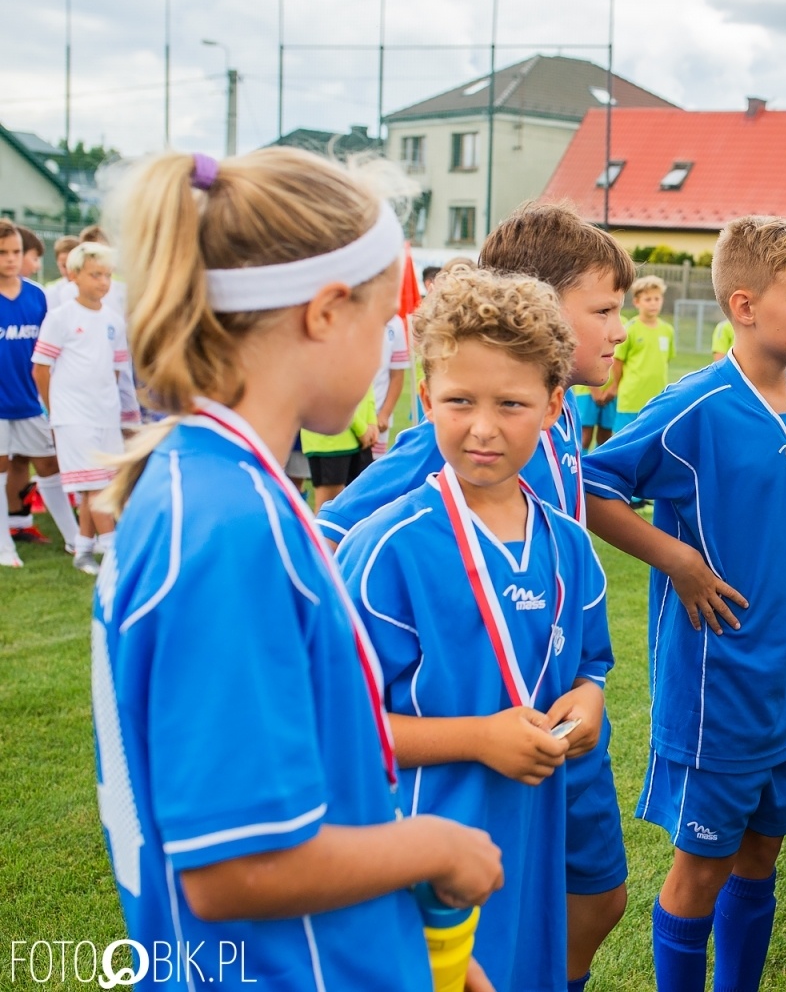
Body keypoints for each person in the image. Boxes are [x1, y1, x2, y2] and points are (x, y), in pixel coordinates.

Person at [90, 147, 503, 990]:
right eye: (384, 321)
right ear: (325, 313)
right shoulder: (230, 530)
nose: (389, 347)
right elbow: (235, 870)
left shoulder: (216, 484)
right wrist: (436, 844)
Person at [314, 200, 634, 991]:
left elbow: (589, 664)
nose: (483, 428)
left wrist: (588, 701)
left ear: (554, 408)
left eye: (510, 405)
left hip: (533, 828)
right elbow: (341, 727)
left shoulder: (567, 545)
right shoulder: (385, 552)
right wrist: (478, 738)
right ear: (426, 401)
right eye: (459, 401)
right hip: (426, 848)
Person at [584, 215, 786, 992]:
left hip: (782, 681)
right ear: (745, 305)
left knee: (763, 851)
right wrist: (680, 561)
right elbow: (592, 486)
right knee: (702, 866)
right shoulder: (694, 407)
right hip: (712, 687)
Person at [31, 242, 139, 574]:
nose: (103, 282)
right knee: (97, 487)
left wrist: (114, 407)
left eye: (107, 275)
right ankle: (115, 554)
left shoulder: (113, 320)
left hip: (105, 415)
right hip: (72, 416)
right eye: (95, 275)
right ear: (75, 275)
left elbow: (116, 370)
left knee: (98, 483)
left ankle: (83, 550)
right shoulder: (59, 318)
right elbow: (40, 369)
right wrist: (55, 411)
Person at [0, 219, 78, 568]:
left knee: (48, 464)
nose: (11, 259)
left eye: (16, 252)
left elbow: (50, 352)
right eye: (3, 252)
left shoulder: (37, 296)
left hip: (30, 401)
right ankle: (4, 546)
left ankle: (75, 538)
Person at [608, 274, 675, 436]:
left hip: (657, 398)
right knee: (623, 439)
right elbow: (618, 362)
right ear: (637, 302)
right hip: (630, 399)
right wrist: (616, 385)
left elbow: (666, 361)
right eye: (648, 299)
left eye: (657, 299)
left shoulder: (668, 330)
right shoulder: (630, 329)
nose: (653, 303)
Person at [300, 388, 377, 510]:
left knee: (362, 506)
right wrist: (361, 428)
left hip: (360, 438)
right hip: (329, 441)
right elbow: (332, 389)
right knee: (329, 509)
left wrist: (372, 421)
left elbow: (368, 384)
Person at [373, 311, 410, 454]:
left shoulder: (395, 323)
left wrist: (384, 414)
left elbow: (397, 375)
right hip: (351, 421)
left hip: (377, 419)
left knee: (373, 465)